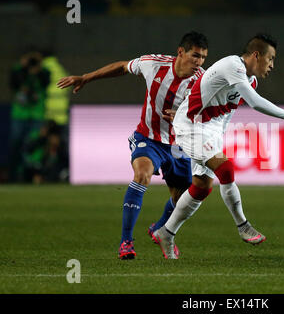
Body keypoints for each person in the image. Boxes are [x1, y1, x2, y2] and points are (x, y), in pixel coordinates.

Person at [152, 33, 284, 259]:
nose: (272, 65)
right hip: (190, 126)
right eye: (271, 59)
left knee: (202, 187)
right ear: (256, 55)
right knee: (226, 169)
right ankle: (243, 225)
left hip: (209, 131)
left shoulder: (250, 80)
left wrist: (217, 139)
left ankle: (166, 233)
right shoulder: (232, 65)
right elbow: (255, 102)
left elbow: (225, 115)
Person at [57, 31, 209, 260]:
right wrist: (86, 77)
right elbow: (122, 67)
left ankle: (159, 229)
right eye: (195, 56)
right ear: (181, 52)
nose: (199, 63)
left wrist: (184, 117)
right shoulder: (154, 64)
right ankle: (126, 242)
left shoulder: (203, 80)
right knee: (142, 175)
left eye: (203, 58)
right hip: (148, 138)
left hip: (179, 145)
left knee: (184, 198)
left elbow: (209, 115)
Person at [9, 50, 50, 182]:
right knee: (16, 145)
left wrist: (38, 69)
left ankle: (34, 175)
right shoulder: (19, 70)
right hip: (20, 114)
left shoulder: (44, 71)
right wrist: (23, 68)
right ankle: (14, 177)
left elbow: (45, 83)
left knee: (35, 146)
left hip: (37, 114)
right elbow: (13, 83)